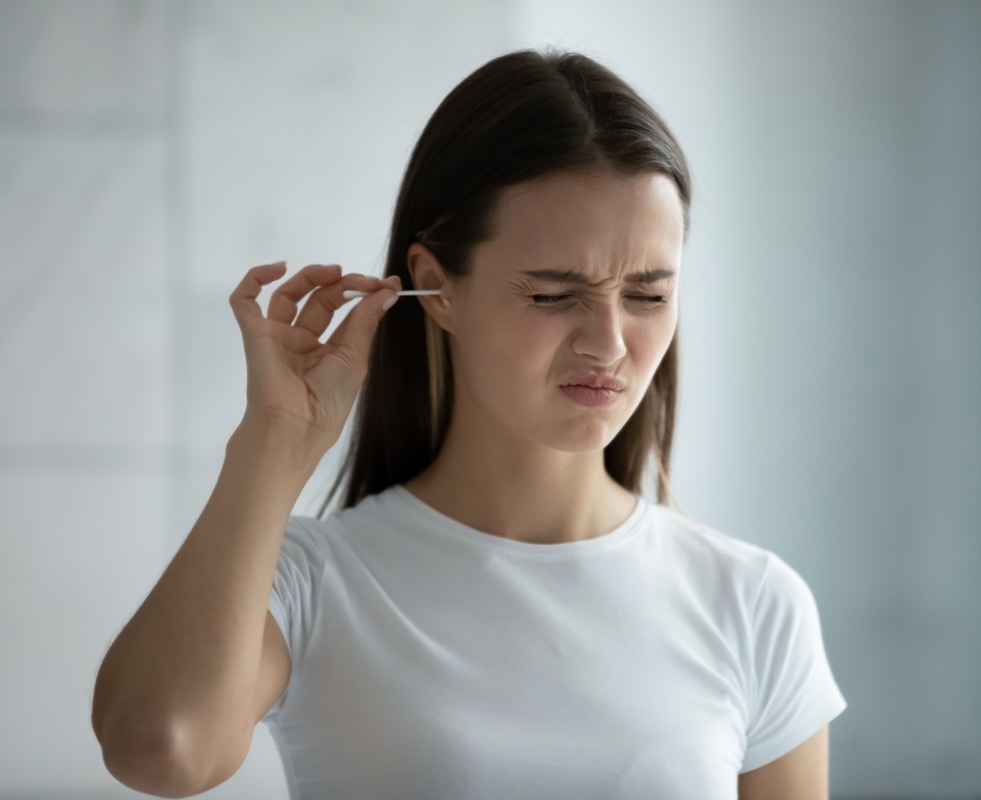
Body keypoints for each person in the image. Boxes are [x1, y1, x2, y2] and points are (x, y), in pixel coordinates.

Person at [91, 47, 847, 799]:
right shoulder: (315, 584)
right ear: (436, 287)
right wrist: (274, 442)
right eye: (554, 295)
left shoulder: (753, 604)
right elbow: (160, 747)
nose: (609, 343)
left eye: (648, 296)